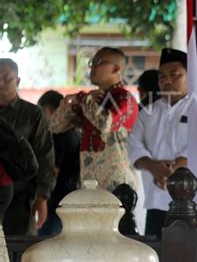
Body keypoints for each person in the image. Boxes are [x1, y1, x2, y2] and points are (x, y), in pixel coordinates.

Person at [128, 48, 197, 247]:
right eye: (162, 77)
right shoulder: (147, 112)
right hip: (158, 199)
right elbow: (134, 145)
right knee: (156, 254)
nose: (166, 81)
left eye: (174, 75)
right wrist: (153, 167)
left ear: (189, 77)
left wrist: (174, 168)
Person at [49, 47, 138, 192]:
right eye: (91, 62)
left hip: (117, 184)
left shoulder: (125, 99)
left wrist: (84, 99)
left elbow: (105, 123)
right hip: (88, 183)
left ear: (116, 69)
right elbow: (55, 126)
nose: (92, 67)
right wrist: (68, 104)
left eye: (98, 62)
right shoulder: (91, 100)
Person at [0, 58, 56, 235]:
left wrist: (42, 197)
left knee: (20, 250)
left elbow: (45, 155)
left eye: (6, 79)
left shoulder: (33, 114)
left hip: (23, 196)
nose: (0, 84)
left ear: (17, 81)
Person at [37, 90, 80, 235]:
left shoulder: (56, 134)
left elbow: (53, 170)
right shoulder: (74, 132)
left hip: (56, 199)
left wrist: (41, 197)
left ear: (47, 111)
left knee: (47, 245)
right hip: (71, 195)